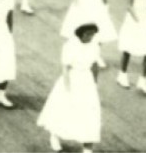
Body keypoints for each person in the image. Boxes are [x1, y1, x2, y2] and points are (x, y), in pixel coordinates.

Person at [37, 23, 103, 153]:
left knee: (90, 114)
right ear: (81, 33)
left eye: (92, 34)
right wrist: (68, 89)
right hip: (72, 79)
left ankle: (87, 148)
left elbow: (95, 65)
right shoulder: (70, 45)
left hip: (87, 81)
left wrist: (95, 83)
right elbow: (65, 68)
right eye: (87, 34)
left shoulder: (95, 46)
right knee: (64, 110)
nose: (90, 37)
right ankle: (54, 136)